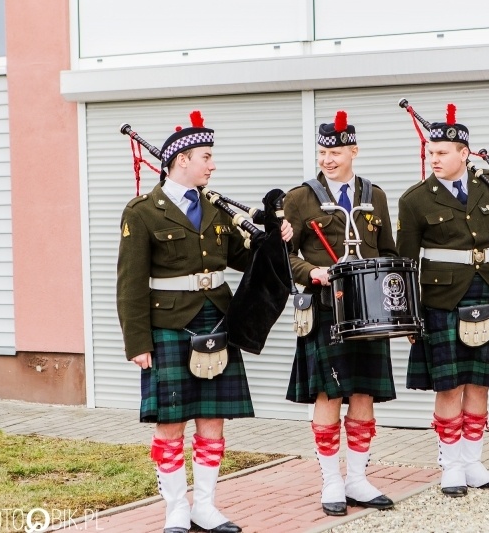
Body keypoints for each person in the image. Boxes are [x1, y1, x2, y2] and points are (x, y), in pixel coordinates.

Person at [116, 110, 292, 533]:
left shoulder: (213, 207)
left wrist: (273, 239)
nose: (213, 165)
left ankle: (206, 506)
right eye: (206, 156)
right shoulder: (143, 212)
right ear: (182, 160)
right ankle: (176, 507)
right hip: (168, 324)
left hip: (216, 318)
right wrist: (137, 341)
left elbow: (243, 258)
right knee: (171, 420)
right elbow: (130, 282)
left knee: (213, 417)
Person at [396, 104, 489, 497]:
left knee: (480, 383)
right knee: (450, 385)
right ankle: (451, 465)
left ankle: (474, 462)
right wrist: (409, 315)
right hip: (440, 299)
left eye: (442, 152)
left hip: (487, 292)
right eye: (430, 152)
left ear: (464, 152)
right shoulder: (415, 200)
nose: (434, 158)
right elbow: (405, 264)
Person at [283, 111, 397, 516]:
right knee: (329, 392)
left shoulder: (375, 195)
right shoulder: (299, 198)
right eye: (322, 151)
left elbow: (389, 253)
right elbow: (284, 255)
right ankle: (331, 480)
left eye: (335, 152)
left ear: (354, 150)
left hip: (369, 310)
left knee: (364, 391)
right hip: (325, 308)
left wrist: (396, 303)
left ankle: (358, 479)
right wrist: (309, 271)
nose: (327, 159)